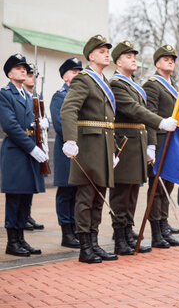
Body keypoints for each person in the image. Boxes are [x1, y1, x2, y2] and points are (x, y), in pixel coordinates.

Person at [110, 41, 179, 255]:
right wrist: (154, 140)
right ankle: (123, 237)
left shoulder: (135, 85)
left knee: (135, 193)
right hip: (131, 143)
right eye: (128, 55)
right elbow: (140, 111)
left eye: (134, 56)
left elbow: (142, 114)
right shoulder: (124, 83)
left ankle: (132, 233)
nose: (133, 58)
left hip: (143, 142)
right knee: (128, 193)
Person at [60, 34, 118, 263]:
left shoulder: (104, 81)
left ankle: (94, 243)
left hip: (103, 146)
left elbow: (108, 121)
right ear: (91, 55)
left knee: (98, 197)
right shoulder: (84, 79)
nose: (106, 54)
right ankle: (85, 247)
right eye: (102, 51)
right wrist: (70, 140)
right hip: (88, 145)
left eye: (107, 51)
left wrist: (112, 149)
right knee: (86, 197)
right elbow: (68, 110)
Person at [0, 53, 46, 257]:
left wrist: (41, 125)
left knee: (26, 198)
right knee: (15, 198)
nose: (23, 71)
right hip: (16, 152)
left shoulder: (27, 96)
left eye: (24, 68)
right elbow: (11, 125)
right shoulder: (5, 94)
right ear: (9, 73)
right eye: (18, 68)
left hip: (27, 152)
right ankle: (12, 242)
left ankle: (21, 239)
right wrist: (31, 147)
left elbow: (31, 122)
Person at [143, 45, 179, 247]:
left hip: (171, 143)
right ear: (157, 63)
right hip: (158, 141)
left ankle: (164, 226)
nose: (170, 62)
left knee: (168, 185)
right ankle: (156, 232)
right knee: (156, 188)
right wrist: (150, 145)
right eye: (166, 59)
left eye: (172, 59)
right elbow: (150, 116)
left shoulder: (173, 85)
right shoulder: (152, 85)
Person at [50, 57, 83, 248]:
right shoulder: (59, 96)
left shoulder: (82, 95)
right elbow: (61, 124)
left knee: (78, 192)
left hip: (82, 150)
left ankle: (76, 229)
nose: (78, 74)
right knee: (66, 191)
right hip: (66, 151)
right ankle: (66, 232)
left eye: (80, 71)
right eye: (74, 72)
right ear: (65, 76)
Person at [22, 63, 46, 231]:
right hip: (25, 143)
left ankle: (27, 214)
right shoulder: (19, 95)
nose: (33, 78)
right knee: (21, 184)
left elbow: (44, 117)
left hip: (37, 143)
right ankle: (21, 217)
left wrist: (46, 124)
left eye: (34, 76)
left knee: (30, 183)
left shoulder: (37, 95)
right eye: (30, 75)